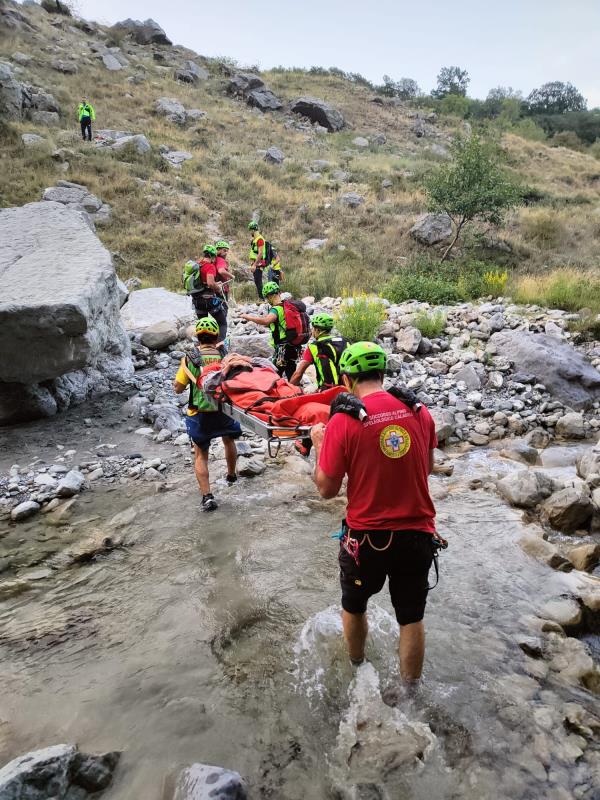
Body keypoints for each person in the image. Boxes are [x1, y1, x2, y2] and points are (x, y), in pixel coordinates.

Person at [310, 341, 439, 684]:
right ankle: (410, 692)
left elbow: (326, 489)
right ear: (383, 373)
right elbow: (425, 468)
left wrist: (319, 443)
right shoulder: (418, 411)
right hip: (417, 535)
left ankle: (357, 668)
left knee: (354, 605)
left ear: (347, 378)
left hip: (366, 538)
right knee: (411, 616)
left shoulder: (344, 420)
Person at [173, 316, 241, 512]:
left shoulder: (190, 359)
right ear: (216, 336)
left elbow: (178, 388)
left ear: (197, 337)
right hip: (224, 410)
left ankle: (207, 497)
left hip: (200, 413)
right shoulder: (225, 356)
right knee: (229, 440)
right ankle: (231, 475)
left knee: (201, 453)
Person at [290, 312, 348, 456]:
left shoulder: (314, 347)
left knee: (310, 413)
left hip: (328, 391)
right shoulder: (346, 341)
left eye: (313, 329)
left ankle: (305, 447)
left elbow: (299, 373)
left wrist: (289, 389)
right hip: (348, 389)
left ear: (317, 330)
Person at [238, 282, 301, 380]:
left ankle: (276, 393)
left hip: (282, 348)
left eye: (267, 298)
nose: (267, 301)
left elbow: (266, 321)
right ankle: (295, 391)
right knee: (291, 372)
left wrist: (248, 317)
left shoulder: (276, 309)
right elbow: (277, 323)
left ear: (270, 296)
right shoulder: (287, 306)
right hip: (294, 346)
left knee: (275, 373)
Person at [188, 244, 228, 343]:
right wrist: (217, 287)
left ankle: (203, 347)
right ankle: (219, 346)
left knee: (203, 326)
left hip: (197, 301)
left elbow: (203, 282)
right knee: (222, 323)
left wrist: (214, 283)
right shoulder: (209, 266)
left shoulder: (198, 265)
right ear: (212, 256)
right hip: (209, 300)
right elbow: (210, 283)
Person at [214, 240, 234, 338]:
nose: (226, 253)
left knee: (217, 315)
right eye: (224, 250)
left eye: (227, 251)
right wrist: (231, 276)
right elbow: (221, 271)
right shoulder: (220, 260)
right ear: (218, 250)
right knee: (222, 318)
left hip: (214, 290)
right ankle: (221, 341)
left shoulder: (214, 260)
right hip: (221, 291)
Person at [248, 221, 267, 300]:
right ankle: (261, 297)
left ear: (252, 230)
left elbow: (260, 253)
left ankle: (262, 298)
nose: (250, 232)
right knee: (257, 280)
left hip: (259, 263)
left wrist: (254, 264)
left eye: (250, 230)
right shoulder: (255, 240)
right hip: (255, 263)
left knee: (258, 280)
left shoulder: (260, 239)